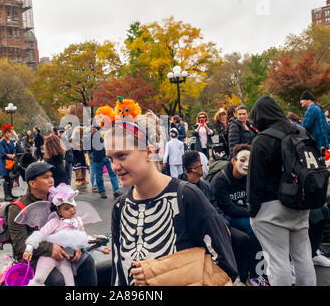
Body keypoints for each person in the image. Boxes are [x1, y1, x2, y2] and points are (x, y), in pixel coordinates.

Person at [105, 112, 238, 286]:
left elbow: (224, 266)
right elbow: (118, 272)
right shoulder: (120, 208)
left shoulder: (187, 196)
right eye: (110, 158)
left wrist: (161, 274)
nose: (115, 166)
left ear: (148, 151)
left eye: (122, 156)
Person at [248, 95, 316, 286]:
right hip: (301, 204)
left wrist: (253, 211)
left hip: (271, 209)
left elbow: (255, 181)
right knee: (303, 257)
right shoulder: (301, 131)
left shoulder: (262, 140)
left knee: (277, 261)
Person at [7, 162, 98, 286]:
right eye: (46, 177)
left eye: (51, 176)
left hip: (64, 250)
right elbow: (20, 244)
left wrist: (77, 246)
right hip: (34, 257)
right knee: (58, 280)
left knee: (87, 262)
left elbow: (70, 224)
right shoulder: (17, 208)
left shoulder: (57, 201)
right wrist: (50, 248)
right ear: (32, 183)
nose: (51, 180)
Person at [180, 151, 252, 285]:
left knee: (243, 239)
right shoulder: (180, 188)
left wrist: (223, 225)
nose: (205, 166)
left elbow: (216, 208)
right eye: (202, 164)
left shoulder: (206, 186)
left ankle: (239, 278)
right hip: (195, 232)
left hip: (216, 226)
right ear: (194, 169)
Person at [22, 183, 110, 286]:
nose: (72, 210)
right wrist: (29, 249)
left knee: (70, 283)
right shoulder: (54, 222)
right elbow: (40, 235)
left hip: (65, 260)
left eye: (72, 206)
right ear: (59, 212)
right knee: (39, 278)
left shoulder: (78, 222)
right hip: (50, 257)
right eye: (66, 208)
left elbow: (84, 239)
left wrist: (101, 248)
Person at [210, 144, 267, 285]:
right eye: (242, 160)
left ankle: (266, 269)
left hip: (245, 214)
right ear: (233, 161)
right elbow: (229, 209)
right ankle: (255, 275)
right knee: (255, 228)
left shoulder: (249, 177)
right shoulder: (220, 181)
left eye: (250, 160)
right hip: (228, 219)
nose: (247, 164)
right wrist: (253, 213)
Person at [91, 125, 119, 199]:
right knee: (99, 176)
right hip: (98, 158)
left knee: (112, 173)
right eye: (92, 129)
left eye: (93, 129)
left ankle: (116, 190)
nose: (92, 130)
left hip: (107, 157)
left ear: (97, 130)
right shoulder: (91, 137)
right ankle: (102, 192)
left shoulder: (104, 135)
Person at [0, 125, 17, 202]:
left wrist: (14, 154)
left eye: (10, 133)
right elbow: (2, 152)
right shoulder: (2, 142)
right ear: (4, 133)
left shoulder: (11, 141)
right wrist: (9, 155)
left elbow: (14, 150)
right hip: (5, 162)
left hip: (11, 161)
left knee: (10, 177)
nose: (9, 134)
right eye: (7, 133)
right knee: (6, 178)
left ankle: (10, 193)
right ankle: (6, 195)